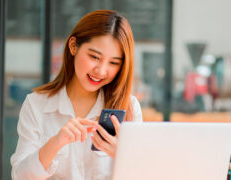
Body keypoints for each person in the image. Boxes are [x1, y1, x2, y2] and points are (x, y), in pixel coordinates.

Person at [10, 9, 143, 180]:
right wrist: (55, 143)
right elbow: (20, 176)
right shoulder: (37, 105)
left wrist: (123, 155)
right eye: (94, 57)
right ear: (73, 46)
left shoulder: (129, 108)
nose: (101, 71)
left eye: (113, 63)